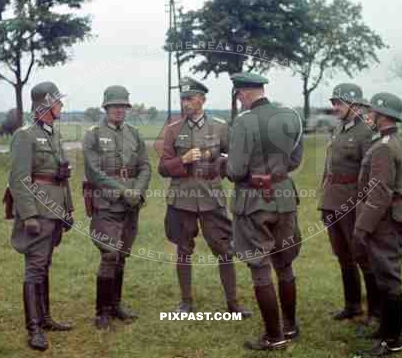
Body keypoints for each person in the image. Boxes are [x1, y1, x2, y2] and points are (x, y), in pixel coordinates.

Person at [158, 77, 251, 317]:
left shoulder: (220, 127)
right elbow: (163, 168)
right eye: (183, 99)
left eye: (190, 98)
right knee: (183, 250)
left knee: (224, 250)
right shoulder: (172, 130)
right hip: (182, 200)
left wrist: (218, 162)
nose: (186, 103)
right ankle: (186, 302)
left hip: (212, 198)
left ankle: (233, 304)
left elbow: (236, 159)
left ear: (202, 99)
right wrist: (183, 160)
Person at [226, 72, 303, 350]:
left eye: (239, 96)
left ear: (242, 93)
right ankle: (291, 327)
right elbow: (294, 160)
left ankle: (274, 337)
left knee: (260, 269)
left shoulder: (244, 122)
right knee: (285, 265)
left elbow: (235, 171)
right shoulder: (290, 116)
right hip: (284, 198)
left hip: (253, 202)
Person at [7, 81, 74, 351]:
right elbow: (19, 179)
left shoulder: (53, 134)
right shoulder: (25, 135)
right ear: (45, 104)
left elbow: (61, 177)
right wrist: (29, 215)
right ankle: (33, 328)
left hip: (54, 211)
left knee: (44, 264)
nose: (61, 105)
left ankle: (45, 318)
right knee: (34, 268)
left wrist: (68, 209)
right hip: (37, 212)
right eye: (58, 101)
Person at [82, 85, 151, 330]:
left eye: (123, 106)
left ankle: (116, 306)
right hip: (107, 203)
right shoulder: (93, 134)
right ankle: (102, 312)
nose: (119, 110)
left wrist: (138, 191)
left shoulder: (134, 133)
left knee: (122, 255)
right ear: (106, 107)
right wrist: (124, 191)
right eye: (115, 106)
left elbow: (144, 166)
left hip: (131, 205)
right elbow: (93, 171)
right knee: (109, 254)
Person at [318, 83, 381, 324]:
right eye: (334, 103)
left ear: (355, 106)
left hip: (353, 203)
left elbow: (370, 173)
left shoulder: (367, 132)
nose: (335, 107)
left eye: (339, 103)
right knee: (343, 255)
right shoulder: (339, 129)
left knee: (362, 255)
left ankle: (375, 311)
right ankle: (353, 305)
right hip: (332, 200)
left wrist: (364, 205)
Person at [354, 92, 402, 356]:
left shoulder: (384, 147)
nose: (368, 116)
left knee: (389, 280)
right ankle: (385, 332)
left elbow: (379, 193)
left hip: (383, 223)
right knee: (384, 277)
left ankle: (392, 340)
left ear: (382, 116)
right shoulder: (388, 141)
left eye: (372, 113)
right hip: (386, 219)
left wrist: (362, 228)